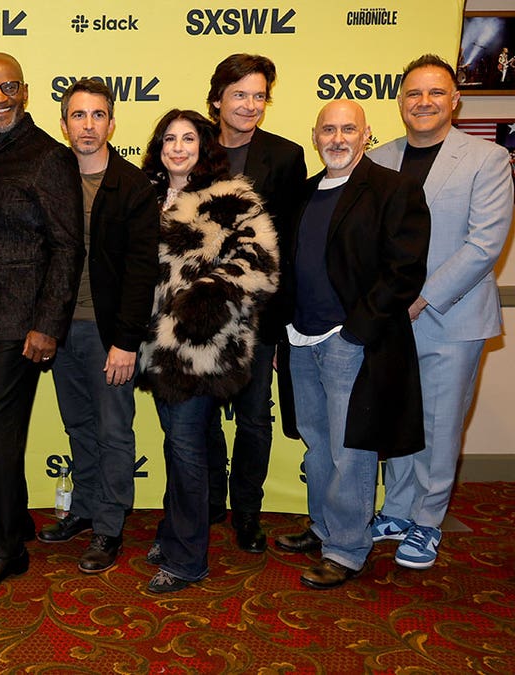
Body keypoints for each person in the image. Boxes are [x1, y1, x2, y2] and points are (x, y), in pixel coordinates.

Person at [275, 100, 430, 590]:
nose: (337, 138)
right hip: (300, 338)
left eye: (348, 129)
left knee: (350, 449)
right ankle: (324, 527)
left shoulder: (394, 189)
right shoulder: (301, 195)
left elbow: (404, 270)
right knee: (317, 443)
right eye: (328, 129)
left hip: (352, 342)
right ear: (314, 136)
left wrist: (355, 332)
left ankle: (345, 549)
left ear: (366, 135)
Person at [369, 55, 513, 569]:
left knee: (440, 421)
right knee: (399, 417)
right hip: (391, 321)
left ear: (455, 100)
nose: (423, 102)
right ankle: (398, 510)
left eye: (435, 93)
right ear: (400, 101)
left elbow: (484, 244)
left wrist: (422, 296)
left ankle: (427, 522)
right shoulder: (379, 159)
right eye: (413, 93)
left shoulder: (487, 159)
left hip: (450, 317)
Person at [0, 52, 85, 590]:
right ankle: (13, 522)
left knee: (2, 437)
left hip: (19, 323)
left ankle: (6, 552)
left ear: (25, 93)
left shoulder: (48, 156)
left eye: (8, 89)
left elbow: (67, 245)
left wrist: (47, 324)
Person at [137, 109, 278, 593]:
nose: (178, 147)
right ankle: (175, 532)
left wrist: (198, 304)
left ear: (205, 145)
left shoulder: (230, 198)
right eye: (169, 138)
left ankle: (187, 559)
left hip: (203, 347)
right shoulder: (147, 196)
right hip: (157, 349)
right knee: (177, 446)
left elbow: (260, 265)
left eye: (188, 138)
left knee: (187, 448)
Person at [37, 78, 157, 574]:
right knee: (78, 425)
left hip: (109, 334)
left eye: (98, 115)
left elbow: (141, 272)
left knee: (113, 431)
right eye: (78, 116)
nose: (88, 126)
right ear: (64, 124)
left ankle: (109, 526)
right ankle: (84, 508)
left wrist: (126, 342)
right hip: (60, 329)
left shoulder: (132, 186)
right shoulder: (51, 176)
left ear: (112, 121)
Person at [203, 54, 308, 551]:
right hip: (200, 312)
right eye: (239, 94)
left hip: (258, 315)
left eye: (259, 95)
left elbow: (291, 239)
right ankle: (209, 502)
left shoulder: (285, 157)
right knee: (200, 416)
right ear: (218, 98)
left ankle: (247, 511)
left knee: (253, 418)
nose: (249, 104)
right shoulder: (193, 148)